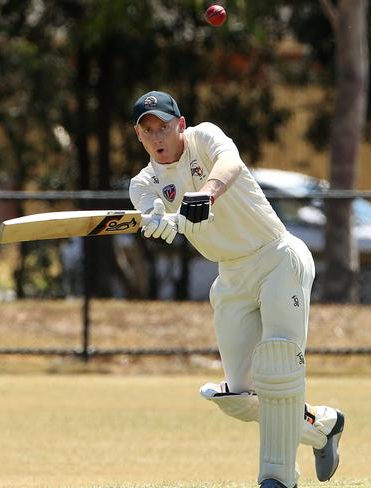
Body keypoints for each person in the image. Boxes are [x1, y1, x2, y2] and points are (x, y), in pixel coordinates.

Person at [128, 90, 344, 488]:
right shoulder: (143, 183)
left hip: (277, 256)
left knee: (278, 366)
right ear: (139, 137)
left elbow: (231, 163)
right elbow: (152, 212)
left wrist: (207, 193)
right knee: (242, 398)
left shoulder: (205, 138)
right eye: (148, 131)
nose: (158, 137)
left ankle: (277, 478)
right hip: (230, 277)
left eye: (163, 127)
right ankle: (322, 427)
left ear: (181, 125)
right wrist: (159, 222)